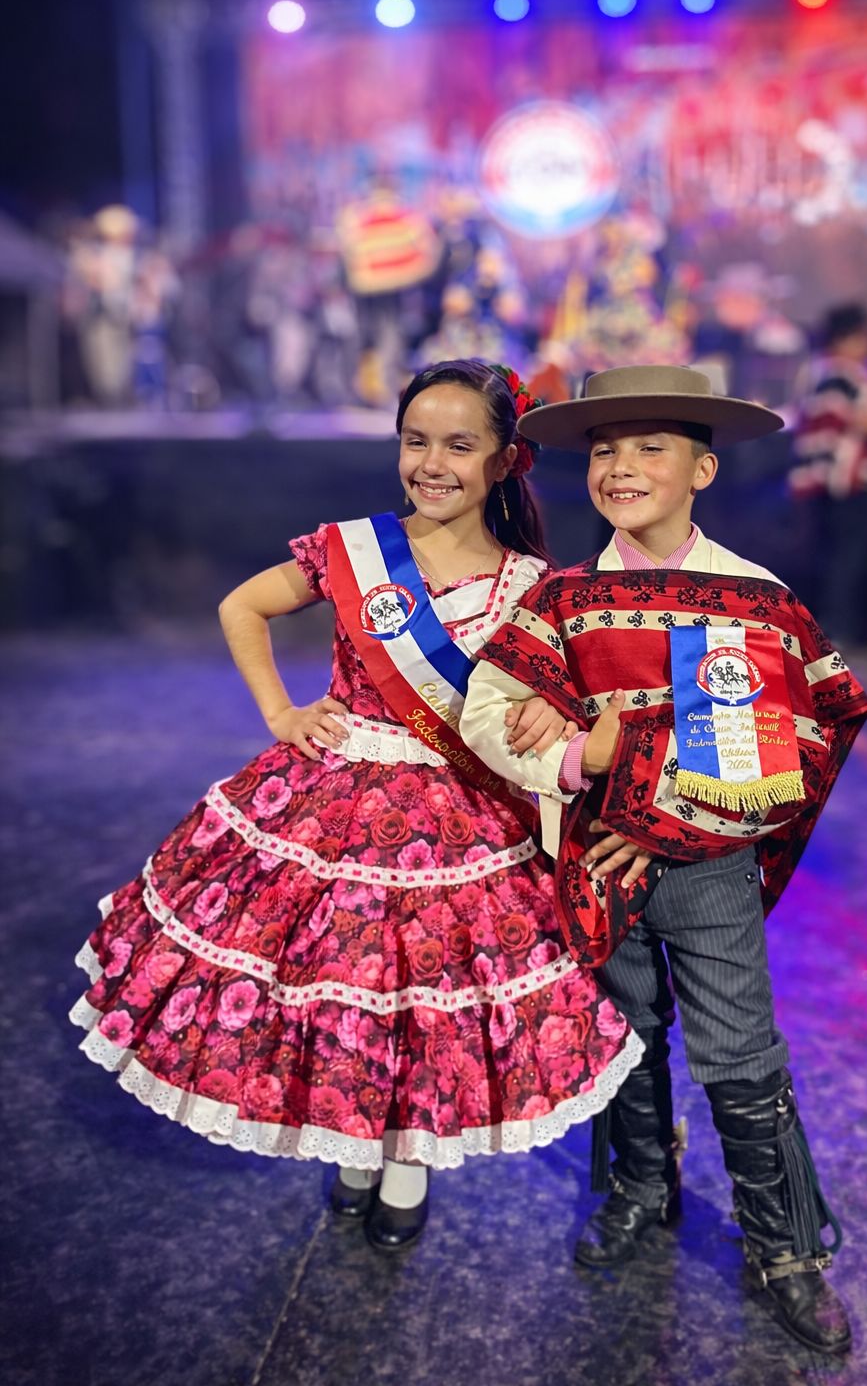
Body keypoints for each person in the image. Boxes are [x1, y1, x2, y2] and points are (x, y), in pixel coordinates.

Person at [70, 359, 641, 1252]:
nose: (432, 462)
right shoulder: (349, 547)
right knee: (342, 989)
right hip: (333, 803)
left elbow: (565, 698)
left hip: (461, 822)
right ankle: (353, 1151)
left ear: (504, 461)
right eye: (415, 441)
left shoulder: (533, 585)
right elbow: (241, 606)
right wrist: (281, 712)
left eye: (460, 444)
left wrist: (555, 713)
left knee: (423, 1001)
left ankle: (403, 1159)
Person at [460, 364, 867, 1355]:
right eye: (604, 449)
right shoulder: (564, 599)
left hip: (705, 870)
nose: (621, 466)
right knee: (625, 1033)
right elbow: (485, 714)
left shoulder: (754, 603)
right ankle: (642, 1187)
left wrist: (638, 785)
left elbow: (795, 741)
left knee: (738, 1050)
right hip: (593, 873)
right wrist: (571, 752)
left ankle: (783, 1250)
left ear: (702, 467)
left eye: (650, 447)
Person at [789, 302, 867, 647]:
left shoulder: (817, 372)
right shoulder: (843, 375)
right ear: (848, 338)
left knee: (835, 559)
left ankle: (834, 629)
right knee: (850, 561)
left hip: (827, 484)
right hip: (848, 483)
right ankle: (842, 631)